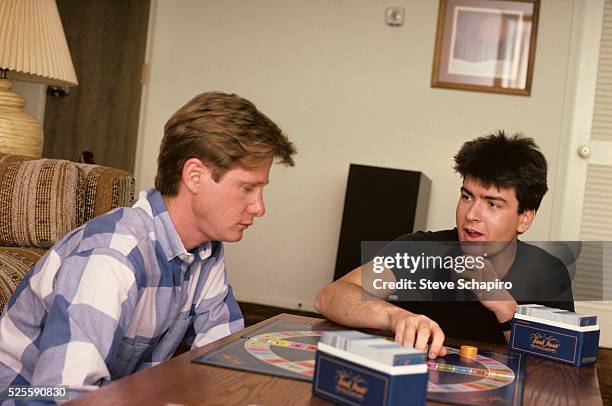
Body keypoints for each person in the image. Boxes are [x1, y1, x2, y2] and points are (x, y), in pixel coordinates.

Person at [0, 92, 296, 400]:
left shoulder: (205, 251)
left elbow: (226, 358)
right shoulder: (111, 258)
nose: (259, 208)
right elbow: (63, 394)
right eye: (247, 188)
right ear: (194, 175)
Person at [315, 131, 574, 359]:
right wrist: (396, 317)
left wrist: (503, 305)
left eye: (492, 204)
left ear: (524, 219)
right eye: (466, 196)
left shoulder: (548, 272)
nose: (471, 214)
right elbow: (329, 296)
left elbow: (557, 366)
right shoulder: (420, 250)